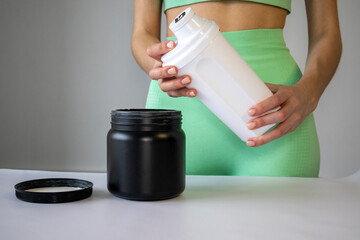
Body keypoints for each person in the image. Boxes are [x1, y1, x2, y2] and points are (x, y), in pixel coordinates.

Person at [131, 0, 342, 177]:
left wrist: (309, 92)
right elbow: (143, 32)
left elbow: (326, 31)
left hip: (277, 114)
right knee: (167, 225)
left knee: (283, 224)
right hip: (179, 113)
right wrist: (162, 69)